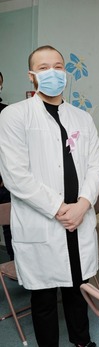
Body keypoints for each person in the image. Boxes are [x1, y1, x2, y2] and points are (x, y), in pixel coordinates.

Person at [0, 45, 99, 347]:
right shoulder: (14, 115)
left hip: (78, 218)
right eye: (44, 67)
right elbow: (15, 174)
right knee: (44, 298)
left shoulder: (82, 117)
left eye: (58, 66)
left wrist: (83, 205)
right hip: (44, 221)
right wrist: (60, 208)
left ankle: (82, 342)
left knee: (78, 290)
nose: (53, 73)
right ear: (31, 75)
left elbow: (96, 165)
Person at [0, 70, 13, 261]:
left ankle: (14, 265)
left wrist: (5, 176)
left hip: (4, 183)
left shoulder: (7, 113)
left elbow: (12, 149)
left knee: (11, 227)